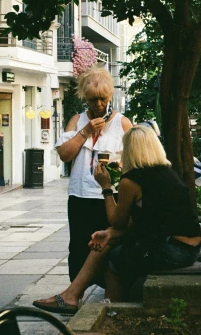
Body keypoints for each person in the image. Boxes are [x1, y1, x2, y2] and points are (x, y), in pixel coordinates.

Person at [33, 125, 201, 313]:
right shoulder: (167, 173)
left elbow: (117, 221)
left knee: (114, 259)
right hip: (190, 247)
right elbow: (144, 219)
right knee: (108, 241)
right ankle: (72, 296)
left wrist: (105, 187)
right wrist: (110, 233)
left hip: (173, 250)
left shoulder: (131, 180)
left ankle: (112, 311)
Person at [55, 68, 132, 284]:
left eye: (102, 99)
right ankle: (74, 295)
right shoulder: (77, 120)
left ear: (110, 96)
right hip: (80, 195)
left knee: (108, 246)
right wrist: (86, 131)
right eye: (92, 99)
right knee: (78, 246)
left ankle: (110, 290)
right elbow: (65, 155)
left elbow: (135, 158)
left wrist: (120, 164)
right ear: (85, 98)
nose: (98, 104)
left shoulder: (122, 123)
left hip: (109, 196)